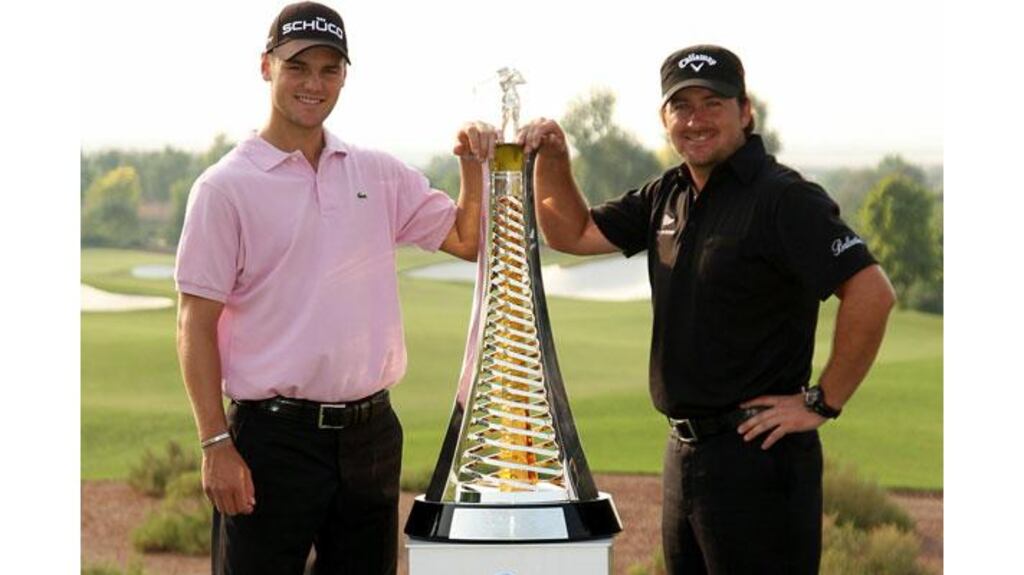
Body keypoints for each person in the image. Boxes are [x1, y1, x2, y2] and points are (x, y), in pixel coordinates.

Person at [519, 44, 896, 574]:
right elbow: (573, 232)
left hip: (759, 461)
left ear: (745, 112)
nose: (696, 120)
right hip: (684, 455)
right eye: (682, 106)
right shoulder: (667, 193)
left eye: (712, 103)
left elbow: (872, 291)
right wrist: (554, 161)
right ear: (665, 119)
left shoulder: (783, 198)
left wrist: (821, 402)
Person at [173, 3, 497, 574]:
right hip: (272, 440)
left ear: (345, 75)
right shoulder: (224, 188)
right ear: (266, 67)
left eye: (329, 69)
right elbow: (194, 323)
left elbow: (467, 239)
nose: (313, 83)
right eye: (298, 67)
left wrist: (472, 163)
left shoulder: (375, 172)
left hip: (370, 437)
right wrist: (214, 444)